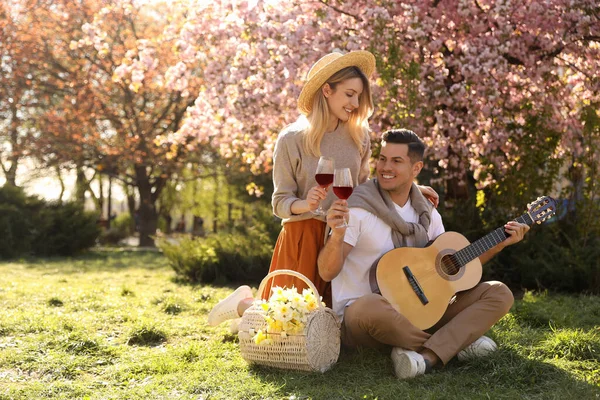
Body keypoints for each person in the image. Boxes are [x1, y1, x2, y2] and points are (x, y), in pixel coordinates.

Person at [207, 52, 438, 329]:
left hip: (342, 236)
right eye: (349, 94)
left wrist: (411, 187)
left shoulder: (359, 136)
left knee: (330, 328)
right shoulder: (292, 139)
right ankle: (243, 306)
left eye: (359, 97)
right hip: (304, 234)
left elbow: (365, 188)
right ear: (327, 90)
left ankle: (252, 309)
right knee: (293, 325)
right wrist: (307, 203)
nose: (355, 104)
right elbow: (279, 202)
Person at [317, 128, 530, 379]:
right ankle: (454, 345)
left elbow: (454, 266)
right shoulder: (358, 208)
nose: (386, 167)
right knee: (368, 307)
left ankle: (424, 355)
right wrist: (338, 235)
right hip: (366, 317)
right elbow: (326, 271)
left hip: (420, 310)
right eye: (382, 159)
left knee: (499, 292)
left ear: (416, 169)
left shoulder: (426, 212)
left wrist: (500, 243)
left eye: (397, 161)